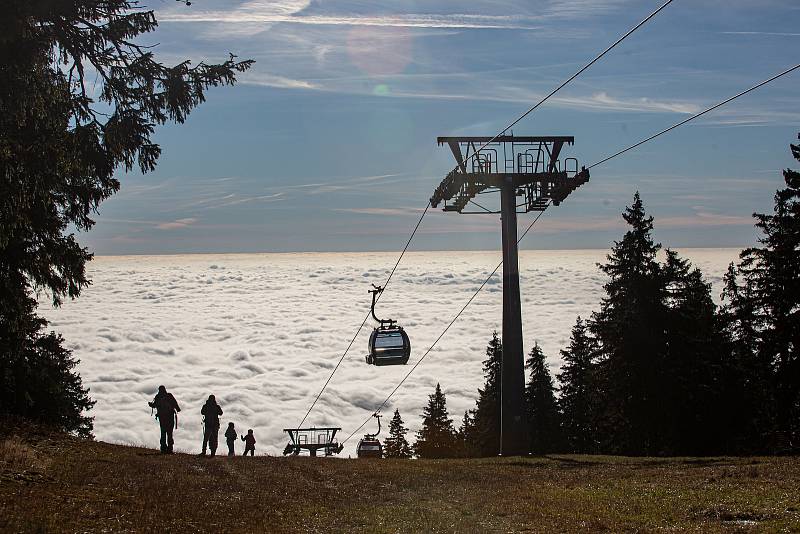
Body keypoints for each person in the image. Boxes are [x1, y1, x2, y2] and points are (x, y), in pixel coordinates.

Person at [148, 385, 181, 454]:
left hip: (162, 418)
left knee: (163, 433)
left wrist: (150, 404)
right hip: (170, 417)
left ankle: (163, 449)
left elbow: (154, 405)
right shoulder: (169, 395)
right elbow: (175, 404)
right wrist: (178, 409)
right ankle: (170, 449)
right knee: (169, 433)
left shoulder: (158, 397)